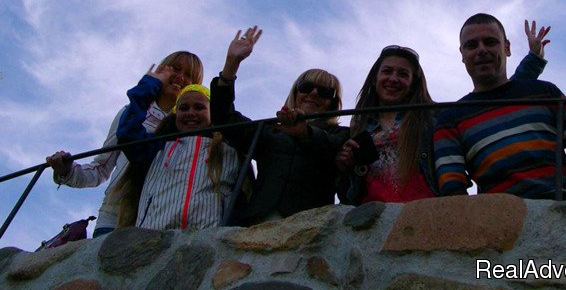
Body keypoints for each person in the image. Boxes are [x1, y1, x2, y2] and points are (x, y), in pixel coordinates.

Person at [435, 15, 566, 199]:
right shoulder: (451, 118)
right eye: (472, 45)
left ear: (507, 48)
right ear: (462, 55)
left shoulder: (545, 92)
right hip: (501, 220)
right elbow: (452, 184)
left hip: (564, 209)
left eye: (490, 42)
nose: (481, 50)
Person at [45, 51, 203, 237]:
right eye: (176, 69)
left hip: (164, 218)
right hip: (115, 216)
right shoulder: (129, 114)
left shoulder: (191, 126)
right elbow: (100, 168)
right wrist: (66, 171)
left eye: (189, 75)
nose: (181, 77)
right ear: (162, 70)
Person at [210, 27, 349, 224]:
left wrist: (305, 132)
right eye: (306, 87)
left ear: (334, 103)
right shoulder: (270, 131)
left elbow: (333, 147)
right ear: (296, 93)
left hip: (312, 227)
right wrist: (231, 65)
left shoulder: (340, 134)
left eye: (325, 91)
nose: (314, 93)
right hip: (259, 222)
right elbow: (224, 118)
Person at [114, 77, 240, 231]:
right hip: (155, 238)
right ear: (175, 114)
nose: (190, 113)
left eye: (199, 107)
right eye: (184, 108)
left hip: (209, 238)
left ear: (213, 113)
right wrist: (151, 85)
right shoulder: (158, 147)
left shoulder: (229, 149)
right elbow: (127, 133)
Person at [336, 45, 437, 204]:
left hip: (422, 212)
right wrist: (346, 166)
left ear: (413, 84)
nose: (393, 79)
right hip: (371, 215)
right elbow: (350, 190)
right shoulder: (359, 123)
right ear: (375, 78)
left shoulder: (431, 118)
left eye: (403, 74)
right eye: (387, 71)